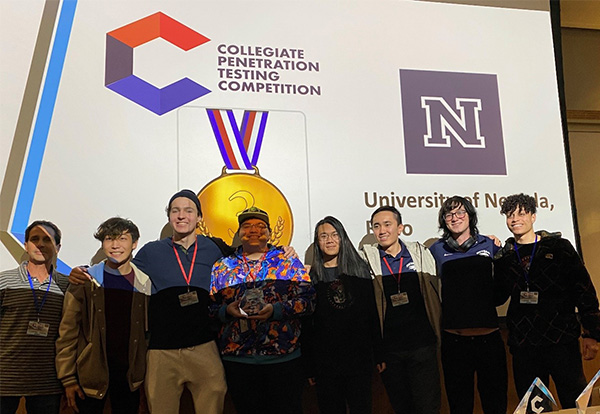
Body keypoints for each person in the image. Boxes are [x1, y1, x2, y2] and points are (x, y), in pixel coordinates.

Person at [495, 193, 600, 408]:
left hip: (562, 341)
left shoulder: (559, 247)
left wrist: (591, 333)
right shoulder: (505, 257)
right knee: (534, 407)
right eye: (510, 215)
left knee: (575, 403)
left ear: (533, 216)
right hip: (524, 345)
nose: (515, 219)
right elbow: (498, 296)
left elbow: (584, 289)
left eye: (521, 213)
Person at [210, 207, 315, 414]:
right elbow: (209, 307)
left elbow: (309, 300)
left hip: (283, 357)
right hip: (239, 360)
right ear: (239, 232)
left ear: (269, 232)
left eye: (260, 226)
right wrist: (226, 311)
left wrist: (276, 310)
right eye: (247, 226)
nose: (254, 230)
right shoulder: (222, 266)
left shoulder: (288, 262)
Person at [55, 217, 151, 414]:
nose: (115, 245)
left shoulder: (144, 283)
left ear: (134, 244)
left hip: (129, 379)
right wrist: (68, 377)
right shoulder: (86, 279)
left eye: (122, 239)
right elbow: (68, 331)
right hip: (89, 377)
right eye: (109, 239)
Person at [428, 196, 507, 414]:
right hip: (455, 342)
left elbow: (502, 287)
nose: (455, 218)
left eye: (460, 212)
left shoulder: (489, 244)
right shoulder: (435, 250)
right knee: (459, 406)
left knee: (496, 404)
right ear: (443, 220)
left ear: (470, 216)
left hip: (489, 340)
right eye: (449, 214)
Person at [360, 206, 441, 414]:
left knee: (428, 407)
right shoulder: (366, 260)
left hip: (423, 347)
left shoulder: (420, 254)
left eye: (387, 224)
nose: (382, 230)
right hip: (390, 352)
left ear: (400, 228)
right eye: (376, 226)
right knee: (402, 407)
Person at [302, 216, 380, 414]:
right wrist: (309, 366)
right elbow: (307, 326)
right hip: (325, 364)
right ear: (317, 242)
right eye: (323, 236)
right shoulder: (310, 278)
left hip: (358, 361)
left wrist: (378, 353)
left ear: (343, 238)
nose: (329, 240)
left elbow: (371, 315)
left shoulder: (360, 271)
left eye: (335, 235)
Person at [0, 220, 69, 414]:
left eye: (46, 240)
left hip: (47, 381)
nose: (39, 244)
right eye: (34, 239)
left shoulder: (67, 285)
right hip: (4, 378)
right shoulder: (3, 280)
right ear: (26, 245)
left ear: (57, 247)